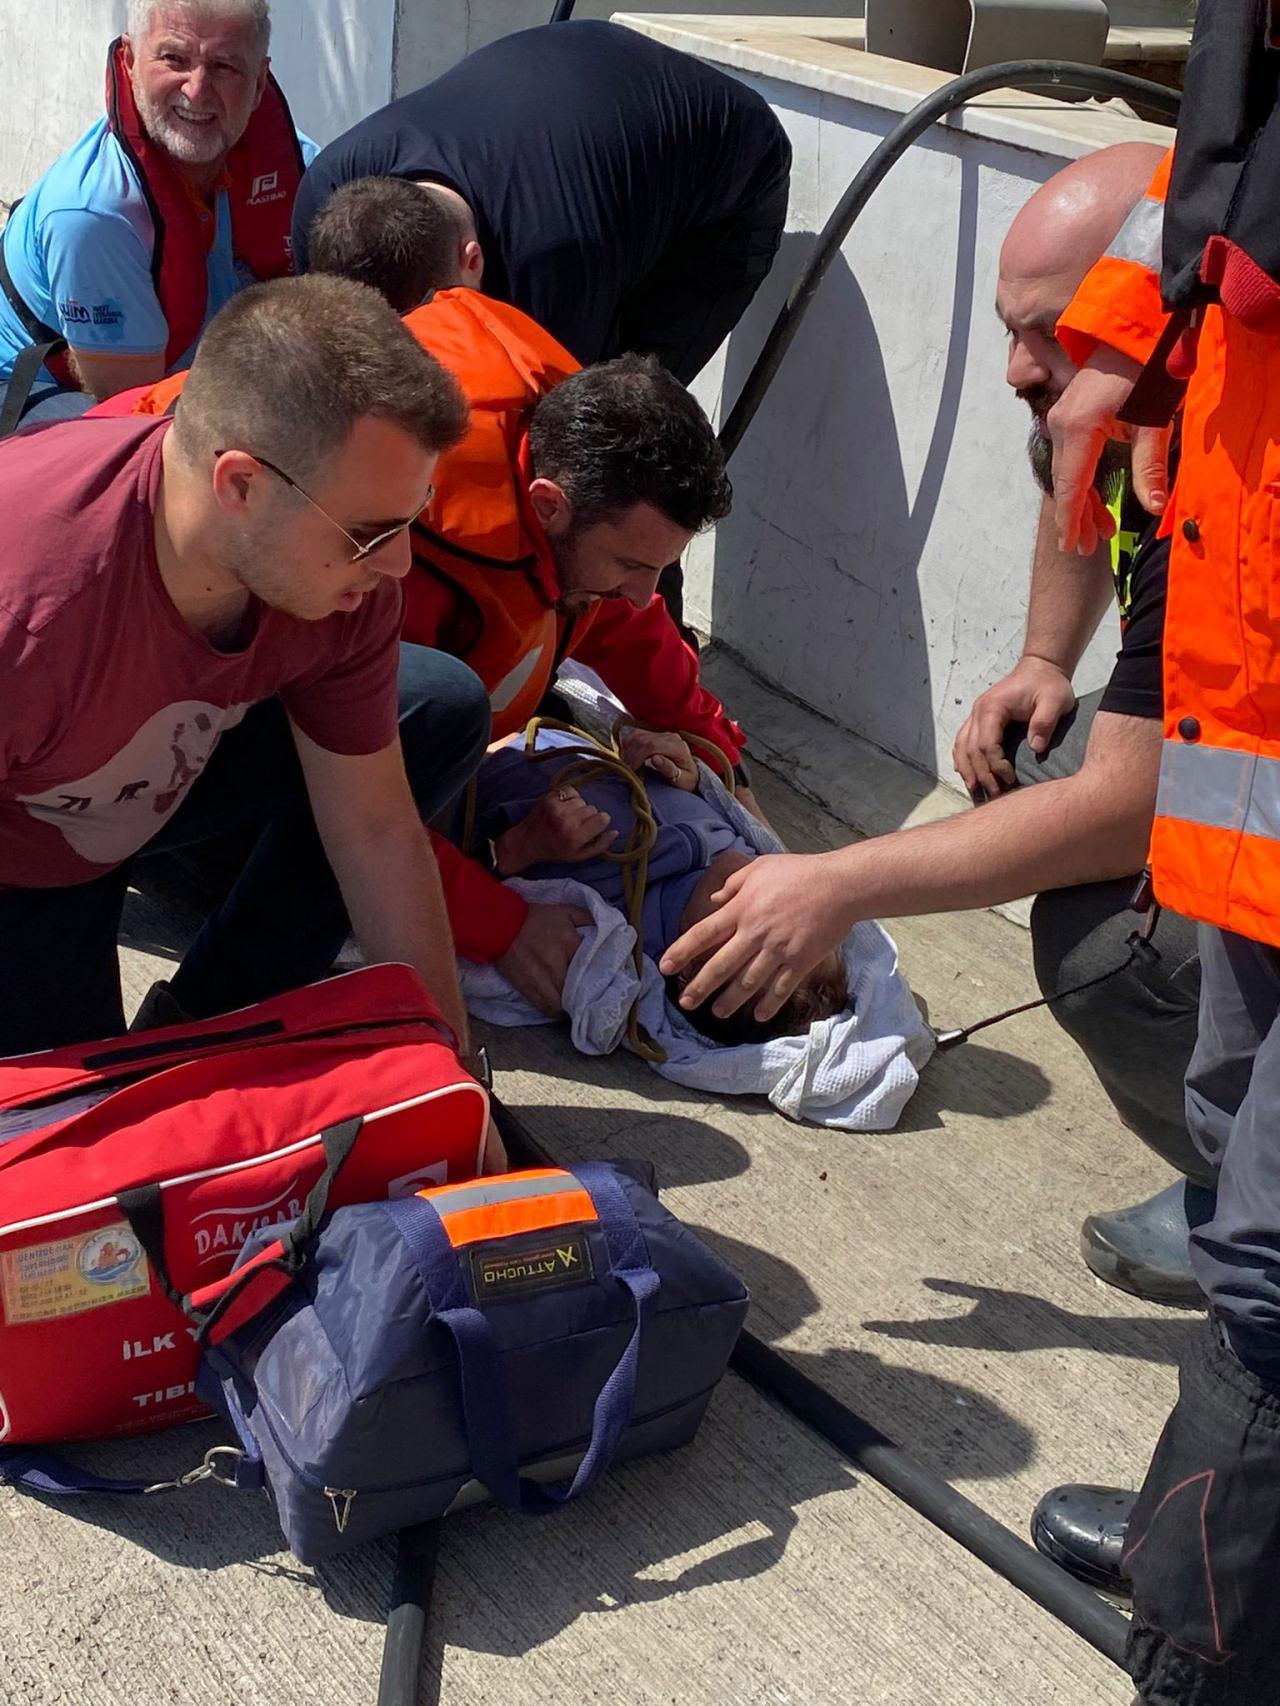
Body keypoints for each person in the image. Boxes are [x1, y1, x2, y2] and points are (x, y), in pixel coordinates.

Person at [659, 145, 1204, 1301]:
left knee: (1104, 950)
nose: (1017, 365)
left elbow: (1126, 807)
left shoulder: (1220, 474)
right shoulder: (1121, 398)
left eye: (1050, 331)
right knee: (1034, 756)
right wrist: (1042, 658)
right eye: (1009, 327)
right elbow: (1067, 468)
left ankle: (1252, 1193)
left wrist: (835, 884)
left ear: (1150, 313)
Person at [114, 282, 761, 1020]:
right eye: (631, 568)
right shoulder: (390, 540)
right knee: (386, 772)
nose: (645, 597)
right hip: (134, 695)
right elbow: (353, 789)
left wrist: (725, 766)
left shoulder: (582, 475)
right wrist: (499, 922)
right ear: (548, 505)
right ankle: (198, 1019)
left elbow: (634, 634)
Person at [1027, 1, 1280, 1695]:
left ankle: (1205, 1632)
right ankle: (1216, 1529)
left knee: (1271, 1255)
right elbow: (1219, 162)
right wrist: (1123, 342)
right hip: (1254, 746)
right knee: (1230, 1129)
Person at [0, 273, 493, 1088]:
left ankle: (207, 1027)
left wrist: (451, 1072)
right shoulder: (28, 609)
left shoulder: (343, 576)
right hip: (21, 853)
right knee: (80, 1132)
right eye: (371, 532)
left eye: (413, 519)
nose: (400, 562)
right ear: (240, 485)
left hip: (125, 772)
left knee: (437, 704)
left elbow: (374, 829)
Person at [289, 18, 791, 628]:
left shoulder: (553, 269)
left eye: (442, 322)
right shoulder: (325, 201)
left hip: (720, 187)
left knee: (623, 457)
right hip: (572, 104)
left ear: (473, 259)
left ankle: (652, 638)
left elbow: (565, 457)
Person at [0, 0, 315, 431]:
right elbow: (138, 410)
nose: (197, 90)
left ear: (260, 82)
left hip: (190, 372)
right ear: (129, 61)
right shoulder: (92, 214)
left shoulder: (301, 166)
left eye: (223, 66)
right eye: (174, 59)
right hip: (42, 391)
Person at [465, 725, 849, 1047]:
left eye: (758, 931)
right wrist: (688, 774)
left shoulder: (601, 916)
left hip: (475, 750)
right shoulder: (747, 861)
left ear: (690, 971)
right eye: (802, 916)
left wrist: (521, 847)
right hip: (555, 724)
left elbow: (453, 873)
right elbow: (738, 806)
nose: (773, 900)